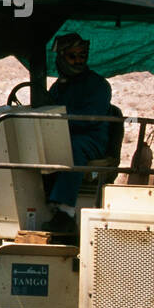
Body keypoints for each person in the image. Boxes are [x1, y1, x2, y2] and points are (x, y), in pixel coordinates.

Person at [44, 33, 113, 233]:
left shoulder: (98, 85)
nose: (78, 61)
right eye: (73, 56)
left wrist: (59, 121)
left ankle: (65, 212)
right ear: (62, 58)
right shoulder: (58, 88)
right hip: (63, 135)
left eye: (82, 56)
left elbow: (91, 118)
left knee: (72, 147)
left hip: (91, 139)